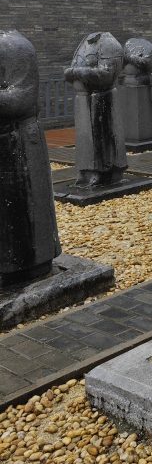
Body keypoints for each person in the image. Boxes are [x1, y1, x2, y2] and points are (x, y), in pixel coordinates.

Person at [0, 30, 60, 286]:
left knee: (24, 210)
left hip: (19, 142)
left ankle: (29, 264)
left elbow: (22, 99)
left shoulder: (15, 46)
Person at [65, 32, 126, 188]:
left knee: (102, 137)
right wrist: (72, 72)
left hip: (102, 98)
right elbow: (73, 67)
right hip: (83, 100)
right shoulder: (84, 43)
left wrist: (76, 72)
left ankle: (104, 172)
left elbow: (106, 74)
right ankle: (86, 171)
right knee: (86, 138)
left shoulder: (109, 44)